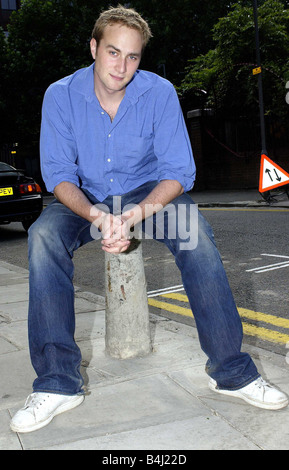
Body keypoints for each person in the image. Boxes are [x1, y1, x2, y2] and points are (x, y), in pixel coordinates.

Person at [11, 5, 288, 434]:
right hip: (87, 201)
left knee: (195, 233)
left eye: (133, 56)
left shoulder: (159, 93)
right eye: (113, 52)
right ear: (94, 47)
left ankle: (232, 372)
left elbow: (178, 171)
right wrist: (96, 215)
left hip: (146, 197)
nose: (122, 66)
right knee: (43, 238)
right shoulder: (60, 95)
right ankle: (56, 383)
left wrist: (137, 213)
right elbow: (60, 175)